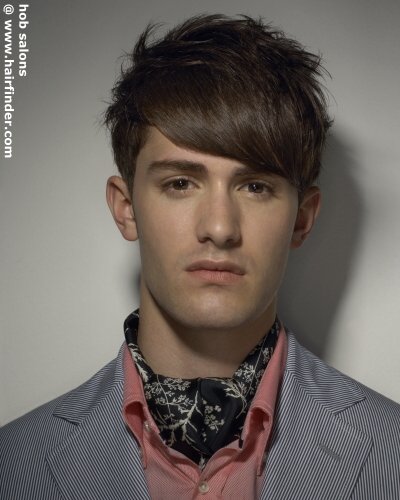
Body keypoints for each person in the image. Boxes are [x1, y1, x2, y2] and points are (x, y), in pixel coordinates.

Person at [1, 14, 399, 500]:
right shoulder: (12, 465)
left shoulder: (392, 453)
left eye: (256, 186)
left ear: (301, 219)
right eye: (180, 183)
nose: (220, 228)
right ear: (126, 209)